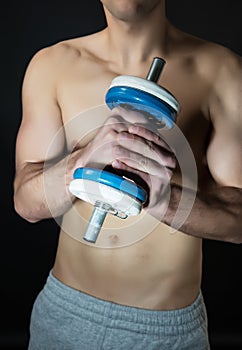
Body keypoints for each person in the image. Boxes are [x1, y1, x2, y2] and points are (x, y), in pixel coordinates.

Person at [14, 1, 242, 349]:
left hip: (166, 331)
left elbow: (239, 220)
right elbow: (25, 202)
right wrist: (81, 162)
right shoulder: (52, 66)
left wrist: (163, 200)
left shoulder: (222, 70)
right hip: (67, 315)